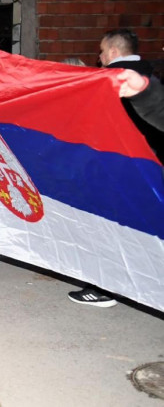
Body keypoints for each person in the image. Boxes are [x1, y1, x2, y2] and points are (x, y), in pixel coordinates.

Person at [69, 29, 164, 306]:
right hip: (149, 165)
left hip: (115, 166)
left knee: (110, 227)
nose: (98, 58)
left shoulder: (109, 79)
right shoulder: (149, 74)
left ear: (112, 52)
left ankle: (104, 288)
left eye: (101, 51)